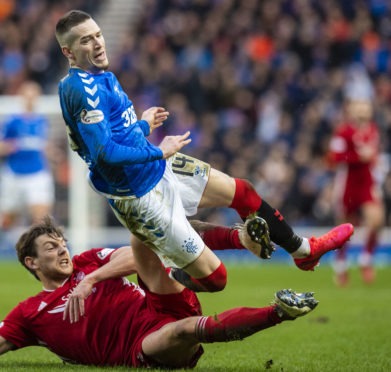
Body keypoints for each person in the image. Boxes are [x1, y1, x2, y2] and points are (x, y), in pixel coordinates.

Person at [55, 10, 353, 292]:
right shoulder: (81, 89)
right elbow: (104, 153)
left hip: (157, 165)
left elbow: (113, 135)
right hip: (138, 195)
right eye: (86, 40)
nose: (97, 43)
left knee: (243, 192)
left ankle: (304, 251)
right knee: (216, 279)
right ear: (68, 52)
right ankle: (166, 266)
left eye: (98, 35)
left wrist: (143, 126)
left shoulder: (101, 76)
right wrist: (159, 151)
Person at [0, 217, 318, 368]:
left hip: (159, 300)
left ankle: (236, 239)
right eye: (51, 248)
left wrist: (91, 279)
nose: (63, 249)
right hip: (141, 346)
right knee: (182, 332)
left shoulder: (87, 264)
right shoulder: (30, 314)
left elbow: (130, 255)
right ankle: (280, 311)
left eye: (61, 242)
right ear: (32, 264)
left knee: (144, 233)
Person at [0, 81, 54, 245]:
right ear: (21, 97)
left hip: (37, 173)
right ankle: (1, 229)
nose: (31, 99)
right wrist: (7, 147)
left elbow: (42, 145)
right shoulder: (11, 121)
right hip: (14, 174)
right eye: (27, 95)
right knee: (9, 216)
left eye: (34, 96)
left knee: (41, 217)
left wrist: (52, 153)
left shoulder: (42, 121)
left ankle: (39, 249)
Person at [328, 99, 385, 286]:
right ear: (352, 111)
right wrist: (358, 157)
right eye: (360, 108)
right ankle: (341, 264)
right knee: (346, 226)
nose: (363, 111)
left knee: (377, 220)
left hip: (367, 182)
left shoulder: (372, 130)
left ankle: (366, 259)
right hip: (348, 183)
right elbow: (334, 157)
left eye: (366, 107)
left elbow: (373, 155)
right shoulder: (343, 132)